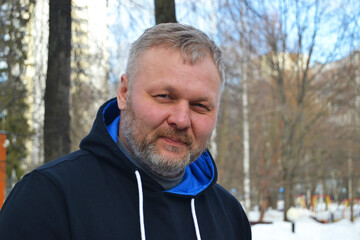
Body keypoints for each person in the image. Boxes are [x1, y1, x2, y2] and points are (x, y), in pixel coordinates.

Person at [0, 23, 251, 240]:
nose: (182, 119)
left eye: (199, 106)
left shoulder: (229, 216)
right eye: (164, 96)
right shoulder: (48, 198)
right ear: (124, 93)